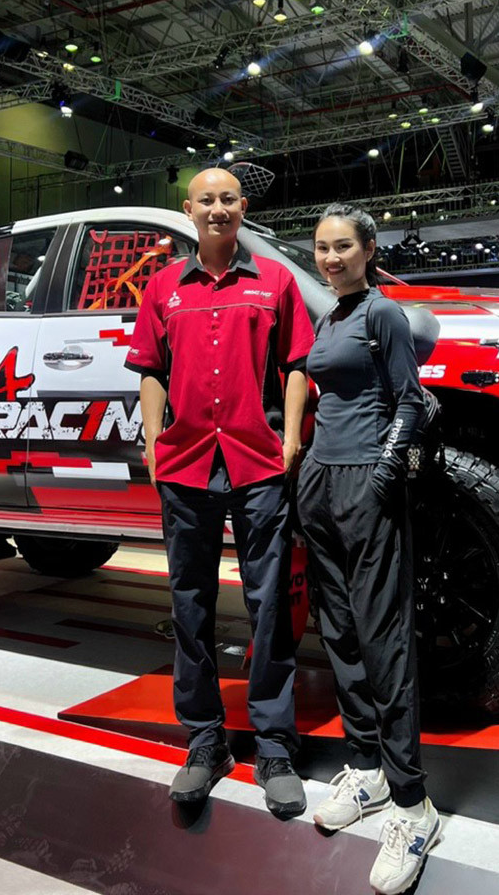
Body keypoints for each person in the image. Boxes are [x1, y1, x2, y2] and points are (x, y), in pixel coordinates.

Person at [125, 168, 314, 816]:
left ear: (243, 207)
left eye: (228, 199)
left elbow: (296, 364)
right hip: (186, 465)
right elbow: (150, 369)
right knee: (190, 604)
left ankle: (275, 746)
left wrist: (291, 437)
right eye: (206, 200)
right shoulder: (162, 287)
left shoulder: (276, 282)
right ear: (189, 210)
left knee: (269, 606)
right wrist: (154, 440)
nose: (217, 209)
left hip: (258, 461)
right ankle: (205, 739)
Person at [297, 204, 440, 895]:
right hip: (320, 483)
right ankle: (367, 769)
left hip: (365, 483)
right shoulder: (331, 317)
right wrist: (309, 474)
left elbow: (411, 401)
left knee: (383, 640)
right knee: (340, 632)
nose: (331, 258)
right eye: (322, 248)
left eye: (343, 247)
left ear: (369, 249)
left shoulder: (384, 313)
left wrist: (382, 475)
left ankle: (414, 805)